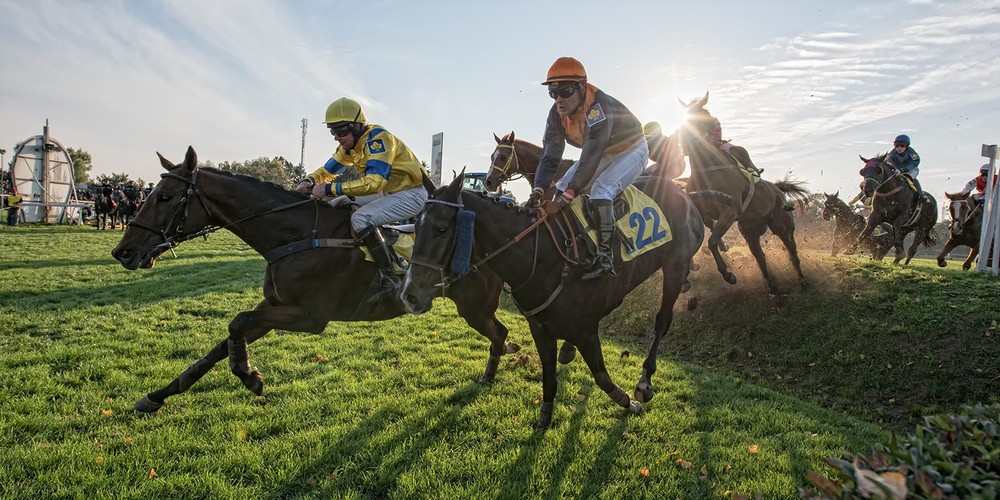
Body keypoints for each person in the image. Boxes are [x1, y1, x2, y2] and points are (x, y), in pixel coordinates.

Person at [296, 97, 429, 303]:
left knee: (360, 219)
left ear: (357, 126)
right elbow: (327, 171)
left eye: (340, 131)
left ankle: (390, 278)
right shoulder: (349, 147)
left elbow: (375, 182)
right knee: (338, 203)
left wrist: (329, 188)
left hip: (412, 194)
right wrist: (310, 180)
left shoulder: (378, 140)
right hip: (389, 191)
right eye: (332, 131)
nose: (336, 137)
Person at [526, 56, 648, 280]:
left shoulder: (598, 107)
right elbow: (550, 156)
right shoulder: (555, 114)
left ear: (582, 87)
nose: (559, 100)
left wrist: (569, 195)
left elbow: (591, 156)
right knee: (561, 186)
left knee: (601, 190)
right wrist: (538, 190)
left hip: (632, 149)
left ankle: (605, 256)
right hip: (604, 151)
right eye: (553, 93)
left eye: (565, 92)